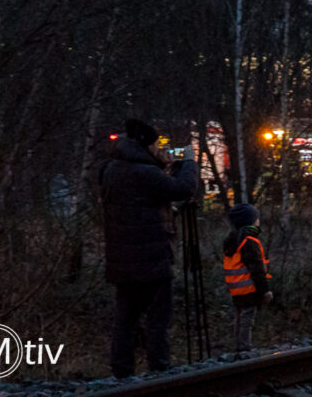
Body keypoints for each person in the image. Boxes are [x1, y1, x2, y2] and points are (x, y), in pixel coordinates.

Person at [99, 118, 199, 378]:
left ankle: (121, 372)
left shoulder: (112, 169)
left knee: (125, 318)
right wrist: (188, 162)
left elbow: (145, 203)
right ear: (145, 146)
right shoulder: (145, 173)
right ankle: (159, 368)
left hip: (122, 259)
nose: (160, 150)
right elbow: (183, 188)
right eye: (157, 145)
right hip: (152, 259)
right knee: (158, 318)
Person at [221, 203, 272, 355]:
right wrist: (265, 291)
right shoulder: (249, 242)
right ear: (251, 221)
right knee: (247, 319)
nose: (259, 221)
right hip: (249, 288)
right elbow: (257, 270)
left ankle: (239, 346)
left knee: (239, 317)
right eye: (257, 218)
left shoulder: (232, 241)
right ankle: (244, 347)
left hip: (236, 289)